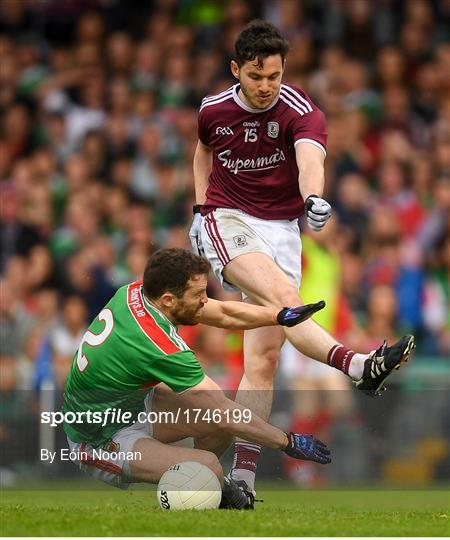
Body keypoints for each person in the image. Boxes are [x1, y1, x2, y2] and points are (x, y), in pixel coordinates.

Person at [188, 19, 415, 493]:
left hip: (283, 230)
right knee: (284, 298)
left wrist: (314, 197)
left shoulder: (301, 110)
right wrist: (198, 206)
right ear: (236, 70)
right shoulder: (212, 110)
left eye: (274, 75)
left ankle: (243, 480)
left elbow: (312, 159)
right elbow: (203, 152)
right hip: (228, 219)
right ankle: (357, 365)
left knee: (265, 360)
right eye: (255, 76)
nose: (266, 86)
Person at [62, 248, 330, 509]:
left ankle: (198, 483)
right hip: (97, 439)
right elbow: (225, 413)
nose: (205, 300)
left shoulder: (136, 291)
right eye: (198, 294)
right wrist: (287, 442)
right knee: (210, 461)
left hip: (130, 408)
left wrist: (279, 316)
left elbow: (222, 313)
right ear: (169, 299)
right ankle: (202, 484)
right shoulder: (159, 346)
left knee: (216, 421)